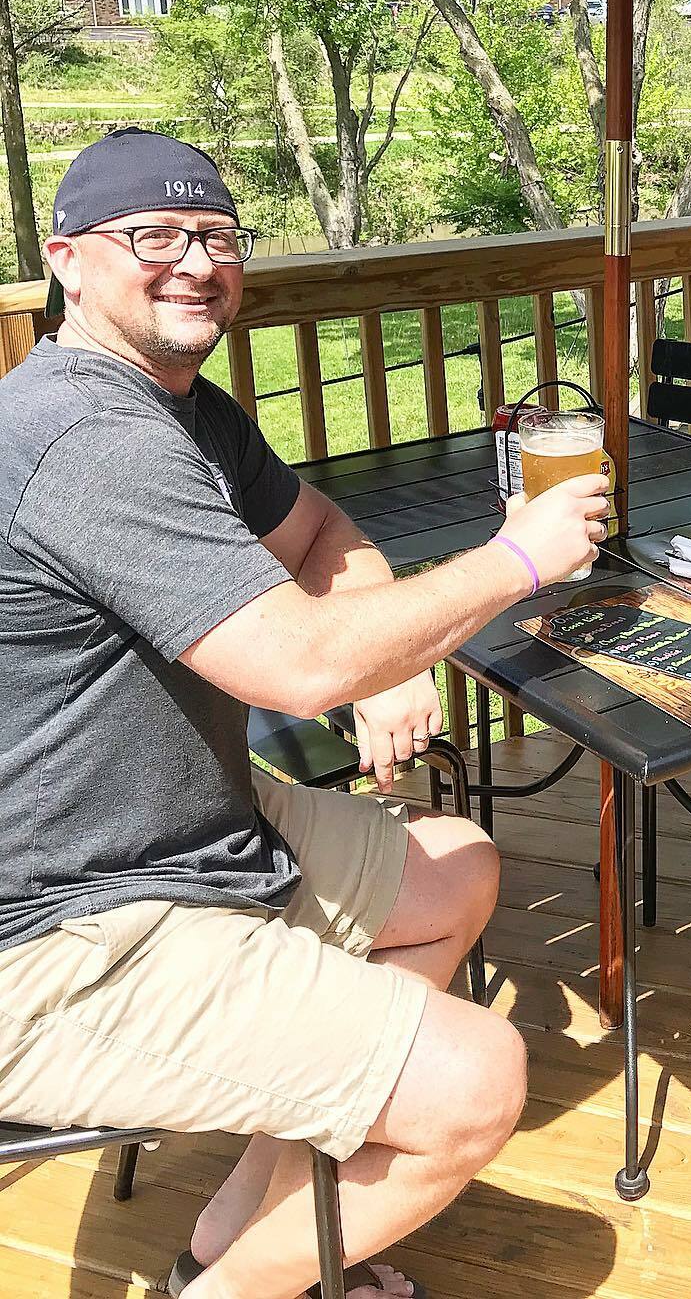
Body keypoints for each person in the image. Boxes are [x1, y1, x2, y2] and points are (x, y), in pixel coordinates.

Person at [0, 130, 609, 1299]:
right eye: (155, 236)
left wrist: (378, 663)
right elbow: (293, 666)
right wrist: (516, 561)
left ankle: (234, 1234)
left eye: (217, 238)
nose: (196, 263)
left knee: (457, 871)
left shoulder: (188, 411)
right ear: (67, 260)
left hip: (185, 834)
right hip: (62, 929)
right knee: (475, 1081)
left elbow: (321, 534)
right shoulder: (86, 436)